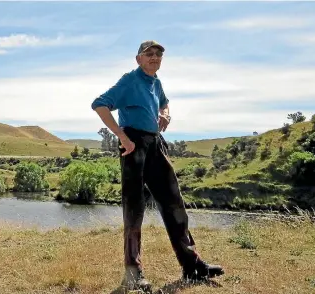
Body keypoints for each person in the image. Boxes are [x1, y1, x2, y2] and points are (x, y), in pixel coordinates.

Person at [91, 40, 224, 292]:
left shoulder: (156, 83)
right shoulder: (130, 81)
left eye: (158, 55)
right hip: (134, 145)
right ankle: (133, 274)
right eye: (148, 54)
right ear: (138, 58)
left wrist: (165, 113)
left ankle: (192, 266)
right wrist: (123, 137)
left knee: (174, 204)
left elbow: (164, 102)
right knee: (134, 211)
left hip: (155, 143)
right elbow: (99, 104)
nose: (154, 58)